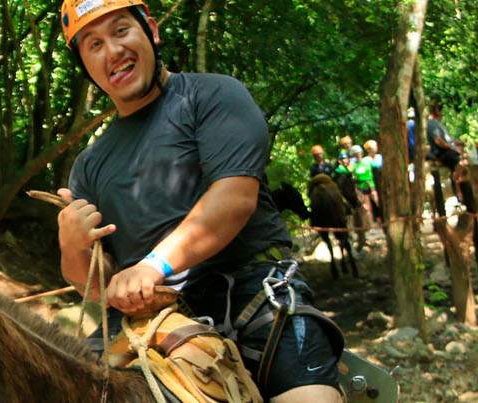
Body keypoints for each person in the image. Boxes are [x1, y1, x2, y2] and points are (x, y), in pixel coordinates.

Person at [55, 1, 341, 400]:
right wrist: (72, 246)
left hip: (254, 297)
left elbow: (234, 197)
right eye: (94, 45)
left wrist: (153, 266)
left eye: (121, 31)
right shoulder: (89, 165)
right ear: (86, 65)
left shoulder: (213, 96)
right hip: (149, 321)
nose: (113, 51)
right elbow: (95, 283)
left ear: (151, 30)